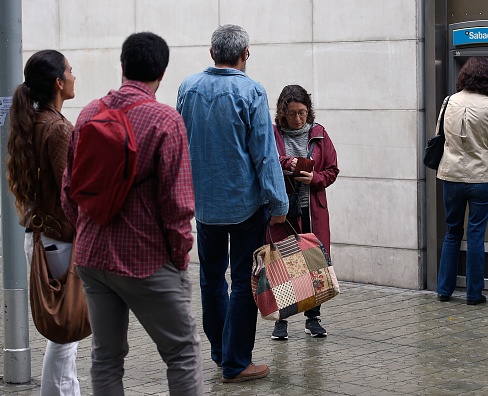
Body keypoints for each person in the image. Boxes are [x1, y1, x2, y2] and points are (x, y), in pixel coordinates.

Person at [61, 32, 204, 395]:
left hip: (92, 258)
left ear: (123, 66)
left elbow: (68, 192)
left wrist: (84, 234)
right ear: (162, 71)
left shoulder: (89, 113)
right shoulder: (165, 120)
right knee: (182, 353)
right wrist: (178, 257)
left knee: (106, 358)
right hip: (146, 261)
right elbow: (178, 205)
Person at [176, 24, 288, 383]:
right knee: (243, 281)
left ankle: (222, 352)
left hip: (204, 205)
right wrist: (278, 202)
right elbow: (264, 155)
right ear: (246, 55)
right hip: (245, 206)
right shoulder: (251, 91)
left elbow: (180, 144)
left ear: (212, 53)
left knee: (210, 279)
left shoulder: (187, 88)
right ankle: (236, 363)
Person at [6, 49, 80, 396]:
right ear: (57, 82)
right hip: (59, 241)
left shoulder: (33, 122)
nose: (74, 75)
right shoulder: (56, 128)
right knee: (65, 335)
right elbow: (71, 192)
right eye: (70, 70)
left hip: (41, 236)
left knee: (63, 336)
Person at [435, 56, 488, 305]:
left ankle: (444, 291)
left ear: (464, 76)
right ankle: (474, 294)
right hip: (482, 178)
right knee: (476, 234)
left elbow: (439, 136)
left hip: (451, 176)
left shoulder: (449, 101)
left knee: (452, 232)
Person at [269, 85, 339, 340]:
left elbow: (332, 169)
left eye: (302, 113)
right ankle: (281, 320)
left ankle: (313, 318)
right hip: (283, 208)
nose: (297, 119)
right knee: (284, 264)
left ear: (308, 110)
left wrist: (316, 178)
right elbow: (266, 160)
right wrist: (287, 163)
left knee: (314, 263)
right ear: (282, 112)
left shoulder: (319, 134)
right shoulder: (273, 134)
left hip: (312, 208)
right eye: (291, 114)